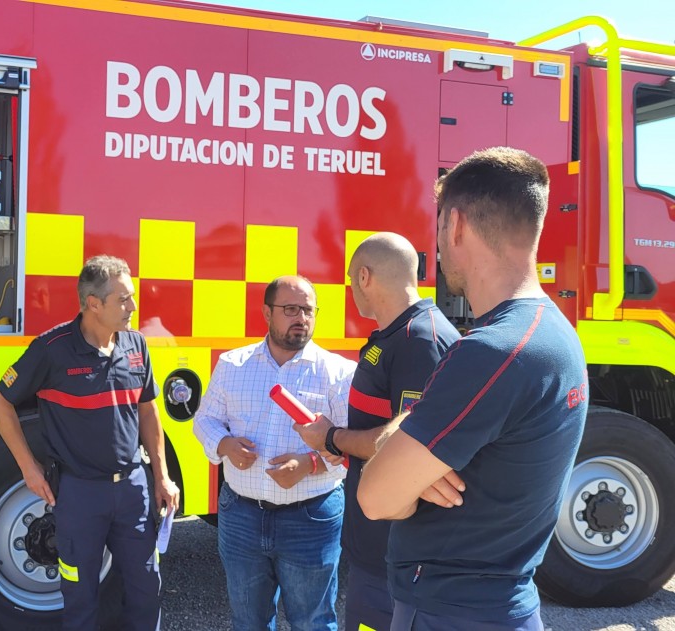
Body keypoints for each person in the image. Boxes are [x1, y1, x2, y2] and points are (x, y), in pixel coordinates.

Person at [358, 147, 588, 630]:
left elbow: (376, 498)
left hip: (449, 612)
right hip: (498, 603)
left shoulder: (492, 351)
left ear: (456, 225)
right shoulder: (552, 333)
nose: (437, 246)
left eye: (439, 227)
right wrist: (408, 451)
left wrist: (400, 454)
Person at [0, 255, 180, 631]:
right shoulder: (51, 348)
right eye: (123, 299)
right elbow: (0, 402)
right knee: (80, 596)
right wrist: (29, 468)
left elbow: (149, 413)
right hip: (78, 496)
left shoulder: (136, 345)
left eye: (132, 297)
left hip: (132, 491)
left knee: (146, 587)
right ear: (93, 303)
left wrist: (162, 476)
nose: (133, 307)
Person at [294, 234, 461, 631]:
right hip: (378, 548)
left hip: (399, 554)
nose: (352, 289)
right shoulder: (397, 335)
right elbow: (383, 431)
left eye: (352, 279)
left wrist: (332, 438)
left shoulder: (421, 341)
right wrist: (348, 448)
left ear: (365, 277)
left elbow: (408, 446)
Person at [192, 275, 354, 631]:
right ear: (267, 312)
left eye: (308, 310)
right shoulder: (233, 365)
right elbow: (204, 420)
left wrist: (309, 464)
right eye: (290, 309)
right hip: (241, 517)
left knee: (313, 622)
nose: (301, 318)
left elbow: (349, 449)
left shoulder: (338, 373)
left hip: (311, 517)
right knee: (248, 622)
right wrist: (225, 444)